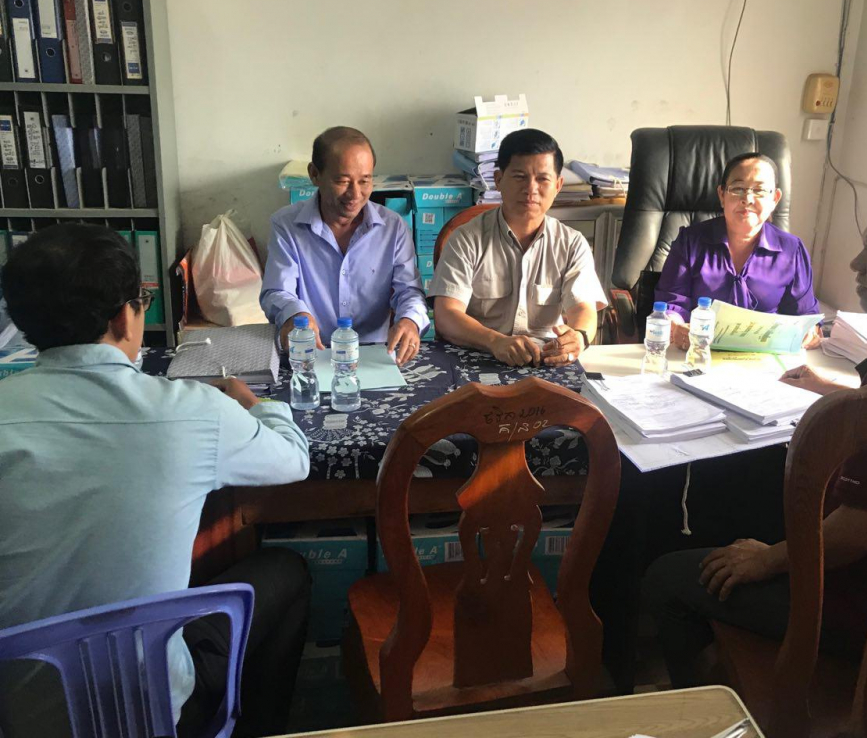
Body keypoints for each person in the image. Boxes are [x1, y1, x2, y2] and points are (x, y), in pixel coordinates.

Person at [642, 179, 867, 687]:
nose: (856, 264)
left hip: (853, 604)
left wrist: (768, 560)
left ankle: (727, 701)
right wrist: (847, 394)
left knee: (667, 579)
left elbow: (862, 531)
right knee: (750, 504)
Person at [0, 224, 313, 737]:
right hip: (156, 716)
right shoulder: (193, 411)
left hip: (21, 719)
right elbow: (293, 460)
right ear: (124, 316)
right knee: (284, 572)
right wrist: (255, 403)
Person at [430, 129, 607, 367]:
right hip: (478, 358)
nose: (531, 188)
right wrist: (495, 341)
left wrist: (579, 337)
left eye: (542, 179)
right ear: (498, 180)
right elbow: (446, 315)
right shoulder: (466, 239)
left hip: (547, 360)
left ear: (558, 185)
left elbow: (584, 308)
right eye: (520, 177)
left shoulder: (572, 244)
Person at [261, 126, 428, 365]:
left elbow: (409, 291)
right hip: (310, 353)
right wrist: (296, 314)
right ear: (314, 174)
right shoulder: (287, 225)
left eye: (365, 181)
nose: (355, 194)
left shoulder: (393, 227)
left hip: (374, 357)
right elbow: (277, 291)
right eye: (342, 181)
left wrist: (410, 320)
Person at [654, 152, 821, 350]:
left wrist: (809, 332)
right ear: (722, 195)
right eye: (738, 189)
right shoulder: (690, 241)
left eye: (759, 190)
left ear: (775, 199)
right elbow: (671, 301)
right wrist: (675, 326)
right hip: (699, 350)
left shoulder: (792, 250)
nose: (747, 199)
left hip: (764, 356)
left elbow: (805, 314)